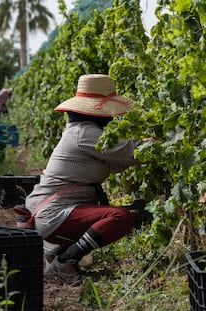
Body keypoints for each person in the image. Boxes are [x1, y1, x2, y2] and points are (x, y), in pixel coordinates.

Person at [24, 74, 150, 285]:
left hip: (50, 211)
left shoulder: (78, 132)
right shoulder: (85, 133)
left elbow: (115, 162)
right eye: (109, 110)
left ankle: (61, 252)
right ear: (97, 110)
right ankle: (65, 261)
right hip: (53, 214)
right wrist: (164, 144)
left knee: (117, 215)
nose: (112, 117)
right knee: (120, 217)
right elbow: (128, 151)